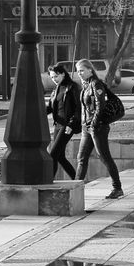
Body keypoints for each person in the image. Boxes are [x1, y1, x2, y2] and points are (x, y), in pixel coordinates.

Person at [75, 59, 124, 199]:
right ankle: (75, 189)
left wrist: (95, 123)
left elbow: (100, 105)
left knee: (104, 157)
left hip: (97, 127)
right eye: (78, 71)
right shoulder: (85, 85)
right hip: (87, 127)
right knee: (81, 158)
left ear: (90, 70)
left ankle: (117, 188)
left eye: (82, 70)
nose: (80, 74)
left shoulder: (96, 84)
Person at [45, 63, 81, 180]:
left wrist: (71, 123)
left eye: (55, 76)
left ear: (63, 74)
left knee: (53, 154)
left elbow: (78, 108)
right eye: (51, 77)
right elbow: (50, 107)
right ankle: (76, 179)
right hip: (57, 125)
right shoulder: (56, 89)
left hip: (67, 126)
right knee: (60, 156)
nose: (54, 79)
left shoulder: (72, 87)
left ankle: (49, 181)